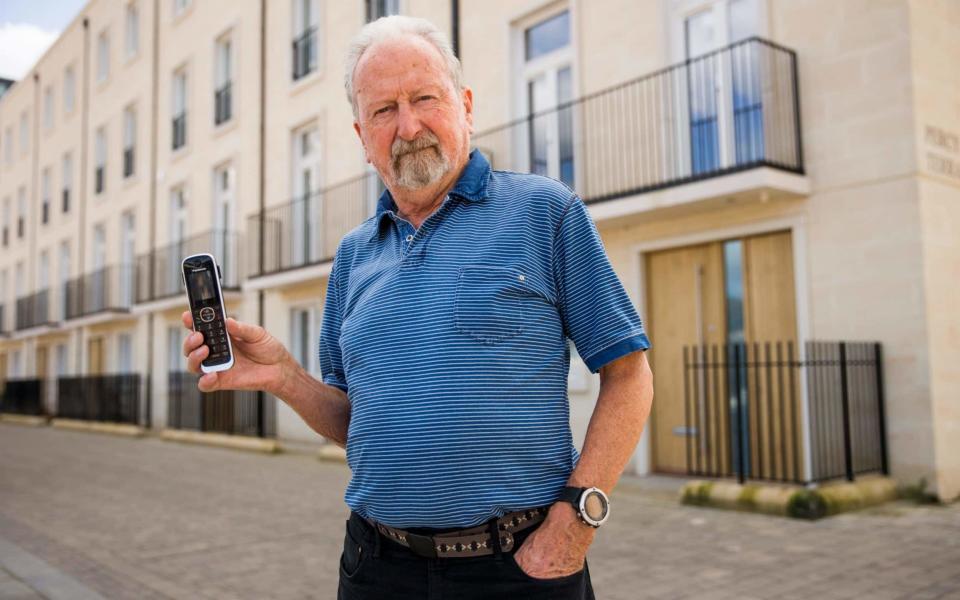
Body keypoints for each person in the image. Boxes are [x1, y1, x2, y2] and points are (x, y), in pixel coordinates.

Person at [182, 15, 653, 600]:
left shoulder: (544, 213)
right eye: (383, 110)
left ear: (466, 106)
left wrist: (579, 517)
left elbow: (629, 374)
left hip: (519, 569)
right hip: (377, 567)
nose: (408, 126)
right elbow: (356, 424)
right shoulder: (354, 255)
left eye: (424, 98)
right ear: (361, 136)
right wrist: (284, 377)